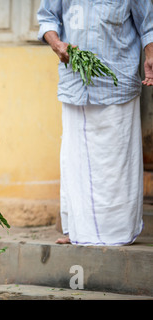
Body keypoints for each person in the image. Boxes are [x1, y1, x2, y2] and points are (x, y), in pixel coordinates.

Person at [37, 1, 153, 245]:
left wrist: (150, 55)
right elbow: (47, 18)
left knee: (116, 162)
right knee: (75, 159)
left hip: (117, 80)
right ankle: (78, 230)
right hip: (75, 82)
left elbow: (147, 25)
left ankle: (116, 232)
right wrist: (56, 44)